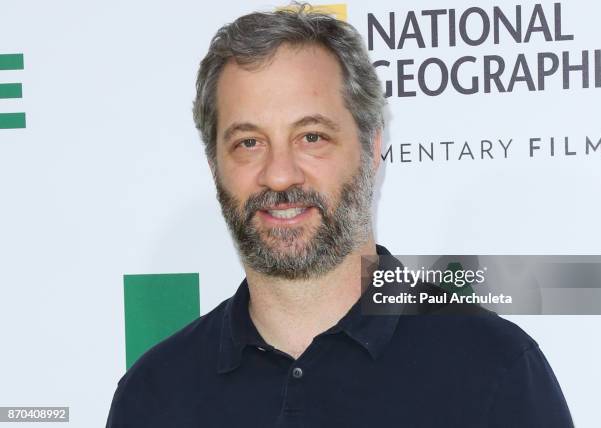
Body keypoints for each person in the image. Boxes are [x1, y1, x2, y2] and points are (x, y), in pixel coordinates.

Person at [106, 4, 574, 427]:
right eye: (249, 142)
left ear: (371, 149)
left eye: (311, 136)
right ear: (215, 166)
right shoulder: (153, 396)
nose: (280, 175)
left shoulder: (493, 369)